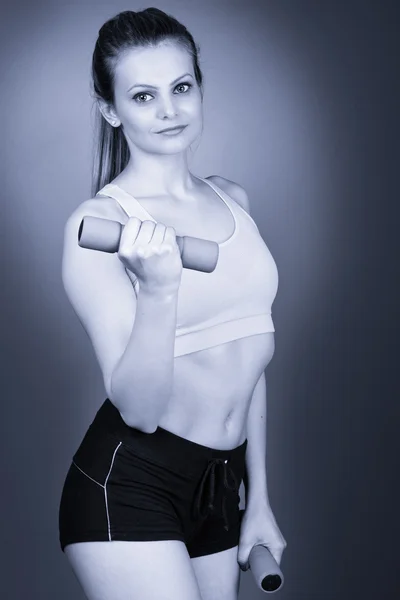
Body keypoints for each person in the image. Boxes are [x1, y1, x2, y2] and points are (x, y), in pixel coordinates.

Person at [58, 7, 286, 600]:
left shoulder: (232, 199)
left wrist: (257, 497)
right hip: (131, 483)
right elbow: (136, 408)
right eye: (143, 95)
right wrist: (159, 289)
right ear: (111, 109)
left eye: (182, 87)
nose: (169, 110)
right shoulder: (100, 223)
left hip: (219, 487)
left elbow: (250, 359)